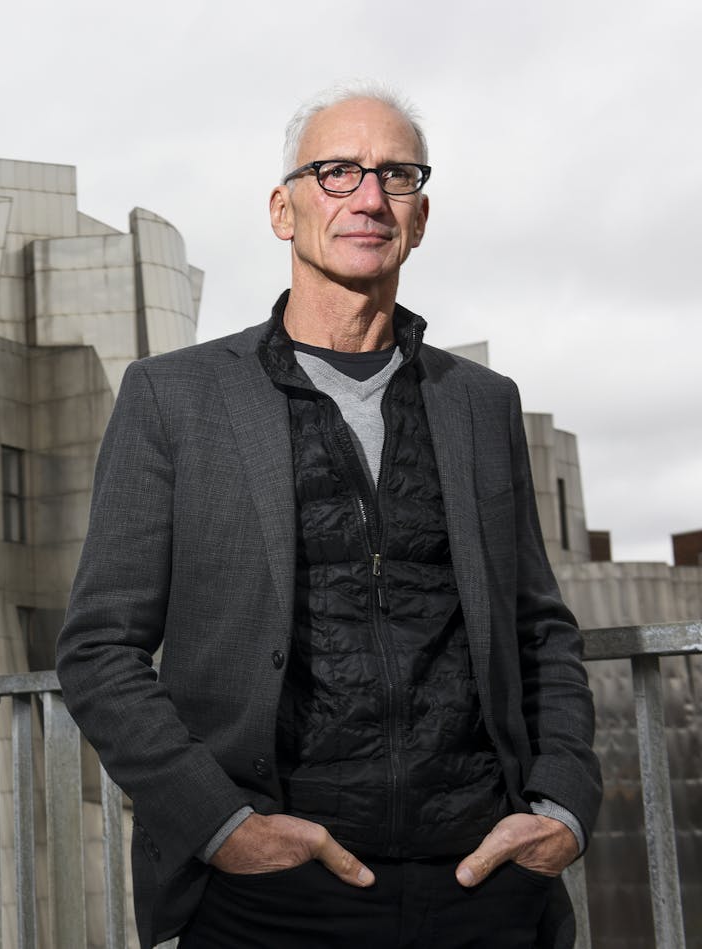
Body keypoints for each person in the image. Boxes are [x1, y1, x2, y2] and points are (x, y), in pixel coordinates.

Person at [55, 83, 601, 949]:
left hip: (483, 884)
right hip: (271, 890)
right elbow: (98, 649)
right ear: (285, 208)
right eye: (337, 171)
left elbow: (542, 630)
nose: (370, 198)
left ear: (420, 218)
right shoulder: (174, 397)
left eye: (397, 176)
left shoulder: (481, 404)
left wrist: (565, 805)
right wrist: (221, 825)